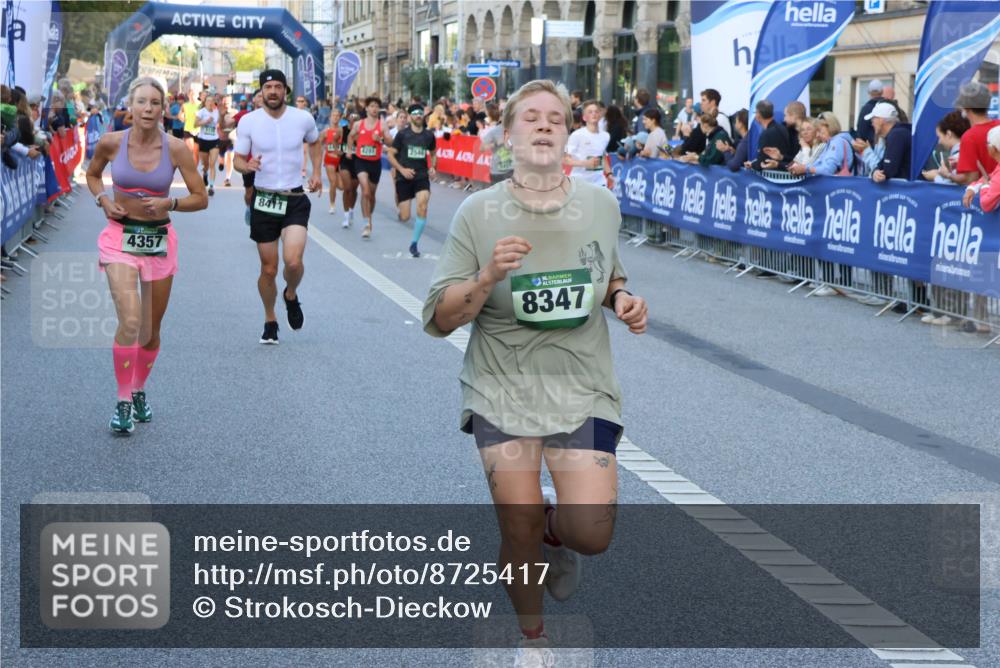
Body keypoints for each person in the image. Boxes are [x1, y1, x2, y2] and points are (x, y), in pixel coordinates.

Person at [423, 79, 647, 664]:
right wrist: (486, 278)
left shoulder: (600, 204)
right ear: (508, 133)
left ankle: (557, 530)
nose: (545, 125)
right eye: (532, 118)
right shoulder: (478, 212)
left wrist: (622, 300)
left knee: (592, 533)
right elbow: (442, 317)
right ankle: (533, 639)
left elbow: (608, 276)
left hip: (583, 386)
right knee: (515, 528)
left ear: (569, 130)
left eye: (556, 117)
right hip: (501, 387)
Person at [84, 77, 208, 434]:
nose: (149, 109)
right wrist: (104, 200)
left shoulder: (176, 149)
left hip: (159, 241)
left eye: (155, 102)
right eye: (142, 102)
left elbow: (201, 198)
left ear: (164, 108)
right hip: (119, 238)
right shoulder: (110, 142)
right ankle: (123, 401)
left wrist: (170, 202)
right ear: (131, 106)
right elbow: (92, 175)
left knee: (151, 332)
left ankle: (139, 389)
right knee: (132, 321)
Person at [234, 69, 321, 344]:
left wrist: (316, 172)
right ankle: (270, 318)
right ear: (261, 91)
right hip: (264, 198)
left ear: (286, 90)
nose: (273, 91)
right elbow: (236, 159)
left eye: (278, 86)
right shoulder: (249, 122)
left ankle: (291, 294)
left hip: (294, 197)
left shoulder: (302, 118)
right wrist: (245, 166)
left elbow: (316, 143)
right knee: (269, 269)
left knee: (293, 262)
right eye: (268, 87)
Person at [386, 103, 437, 257]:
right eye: (414, 113)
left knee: (422, 205)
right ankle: (402, 209)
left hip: (421, 176)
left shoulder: (429, 135)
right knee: (405, 216)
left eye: (420, 113)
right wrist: (401, 170)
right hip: (404, 177)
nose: (418, 115)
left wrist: (433, 167)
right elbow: (390, 154)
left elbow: (433, 153)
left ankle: (414, 243)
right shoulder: (402, 135)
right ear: (410, 117)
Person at [347, 96, 389, 239]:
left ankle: (368, 217)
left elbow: (391, 141)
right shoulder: (359, 124)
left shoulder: (382, 125)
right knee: (365, 191)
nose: (374, 108)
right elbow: (351, 136)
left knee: (371, 195)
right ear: (366, 108)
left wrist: (381, 139)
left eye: (376, 106)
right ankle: (367, 223)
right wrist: (348, 150)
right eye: (371, 106)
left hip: (375, 163)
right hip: (361, 161)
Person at [951, 81, 1000, 187]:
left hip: (987, 197)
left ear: (966, 108)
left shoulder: (969, 137)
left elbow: (970, 179)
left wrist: (947, 175)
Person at [791, 112, 854, 176]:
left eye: (819, 130)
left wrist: (805, 169)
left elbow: (828, 170)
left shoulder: (837, 143)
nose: (817, 135)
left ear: (829, 127)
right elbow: (817, 164)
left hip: (838, 184)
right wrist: (801, 169)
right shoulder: (830, 144)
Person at [564, 100, 611, 186]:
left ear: (600, 115)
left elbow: (602, 156)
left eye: (596, 111)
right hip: (580, 182)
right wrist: (585, 163)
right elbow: (565, 160)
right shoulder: (576, 135)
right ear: (584, 117)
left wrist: (609, 174)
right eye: (590, 112)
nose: (594, 114)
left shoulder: (605, 136)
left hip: (599, 182)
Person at [922, 110, 970, 185]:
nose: (939, 142)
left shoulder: (957, 157)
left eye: (939, 137)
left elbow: (956, 188)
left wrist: (935, 177)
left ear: (948, 134)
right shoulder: (967, 152)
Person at [868, 102, 911, 183]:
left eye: (873, 118)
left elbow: (889, 170)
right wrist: (875, 171)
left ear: (881, 120)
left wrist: (877, 172)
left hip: (905, 191)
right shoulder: (899, 132)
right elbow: (884, 163)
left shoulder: (897, 135)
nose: (872, 123)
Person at [239, 90, 264, 225]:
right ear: (253, 100)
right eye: (258, 96)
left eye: (262, 95)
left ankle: (263, 219)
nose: (261, 98)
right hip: (249, 162)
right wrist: (222, 116)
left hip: (266, 164)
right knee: (250, 193)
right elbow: (226, 124)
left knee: (264, 193)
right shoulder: (245, 116)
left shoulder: (276, 118)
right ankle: (249, 208)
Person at [749, 100, 792, 170]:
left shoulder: (766, 134)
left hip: (774, 176)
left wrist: (752, 165)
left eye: (755, 112)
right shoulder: (782, 128)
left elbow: (762, 163)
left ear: (758, 115)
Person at [480, 103, 513, 185]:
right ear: (501, 118)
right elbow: (481, 148)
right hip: (497, 171)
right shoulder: (494, 131)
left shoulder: (516, 130)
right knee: (497, 196)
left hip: (512, 170)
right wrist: (495, 144)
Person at [194, 93, 221, 196]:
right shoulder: (201, 112)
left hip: (214, 140)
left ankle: (211, 186)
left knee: (212, 164)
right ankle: (205, 173)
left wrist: (221, 118)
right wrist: (205, 121)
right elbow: (195, 124)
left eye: (211, 101)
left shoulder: (216, 112)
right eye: (208, 101)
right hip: (203, 140)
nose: (210, 103)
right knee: (205, 165)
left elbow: (220, 124)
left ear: (214, 102)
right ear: (204, 102)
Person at [339, 110, 361, 228]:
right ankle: (346, 215)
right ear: (347, 120)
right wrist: (337, 149)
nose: (352, 123)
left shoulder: (361, 132)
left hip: (358, 162)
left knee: (353, 189)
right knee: (347, 188)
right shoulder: (342, 130)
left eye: (355, 121)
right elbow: (332, 139)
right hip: (345, 162)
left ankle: (351, 209)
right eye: (350, 121)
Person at [322, 107, 344, 214]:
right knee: (333, 182)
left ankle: (333, 203)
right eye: (333, 116)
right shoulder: (326, 132)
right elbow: (317, 145)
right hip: (329, 159)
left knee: (342, 186)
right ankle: (332, 205)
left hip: (341, 160)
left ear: (340, 118)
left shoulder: (343, 131)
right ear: (330, 118)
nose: (335, 118)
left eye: (337, 116)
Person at [855, 79, 885, 145]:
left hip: (870, 147)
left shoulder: (866, 109)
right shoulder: (888, 106)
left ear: (869, 92)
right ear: (882, 91)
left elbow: (861, 131)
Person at [181, 91, 200, 159]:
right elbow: (180, 115)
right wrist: (182, 117)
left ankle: (194, 168)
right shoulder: (185, 105)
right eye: (191, 95)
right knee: (190, 150)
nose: (192, 97)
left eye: (194, 95)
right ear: (188, 96)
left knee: (196, 153)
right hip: (188, 129)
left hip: (198, 131)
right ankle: (189, 167)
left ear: (197, 95)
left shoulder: (201, 105)